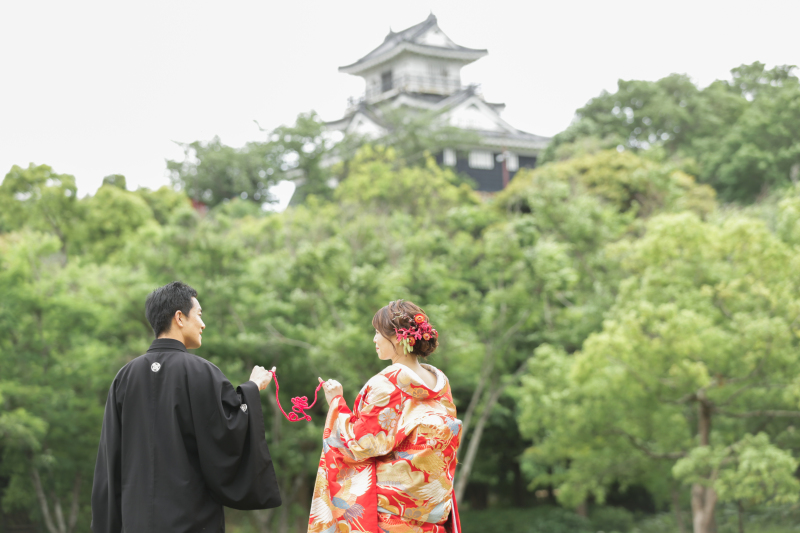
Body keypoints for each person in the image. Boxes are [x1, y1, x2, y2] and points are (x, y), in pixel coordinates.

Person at [91, 281, 282, 533]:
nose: (203, 324)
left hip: (135, 520)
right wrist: (252, 388)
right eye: (199, 315)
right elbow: (228, 433)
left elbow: (110, 457)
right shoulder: (202, 372)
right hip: (191, 520)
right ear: (179, 317)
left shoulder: (124, 377)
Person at [309, 300, 462, 533]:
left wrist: (336, 402)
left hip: (390, 516)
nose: (374, 340)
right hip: (432, 513)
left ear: (399, 337)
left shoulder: (386, 383)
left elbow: (359, 444)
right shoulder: (440, 383)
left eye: (378, 332)